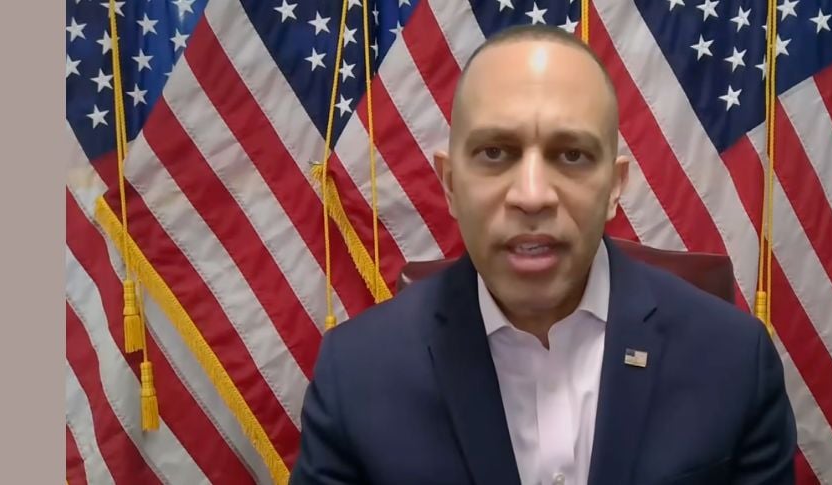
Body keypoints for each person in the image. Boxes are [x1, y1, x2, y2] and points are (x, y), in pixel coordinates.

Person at [290, 24, 796, 485]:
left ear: (615, 187)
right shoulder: (353, 375)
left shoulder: (734, 362)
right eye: (495, 153)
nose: (532, 195)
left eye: (571, 155)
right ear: (449, 184)